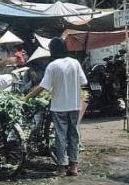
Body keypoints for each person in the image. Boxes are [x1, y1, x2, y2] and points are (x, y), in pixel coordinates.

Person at [24, 37, 88, 177]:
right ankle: (74, 166)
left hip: (59, 107)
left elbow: (43, 86)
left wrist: (27, 97)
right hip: (74, 105)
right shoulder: (75, 63)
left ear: (52, 50)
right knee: (73, 135)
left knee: (61, 136)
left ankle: (61, 168)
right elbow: (83, 82)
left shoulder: (52, 66)